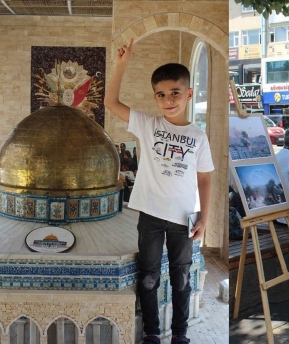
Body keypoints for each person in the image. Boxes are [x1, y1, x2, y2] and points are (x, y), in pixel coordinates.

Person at [104, 39, 214, 344]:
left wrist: (204, 217)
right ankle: (152, 332)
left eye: (175, 93)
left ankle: (180, 333)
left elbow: (205, 179)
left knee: (181, 278)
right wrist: (121, 64)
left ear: (189, 94)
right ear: (155, 98)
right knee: (149, 277)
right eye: (161, 95)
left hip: (183, 219)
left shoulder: (198, 136)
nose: (168, 100)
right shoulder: (148, 125)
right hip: (151, 215)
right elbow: (110, 102)